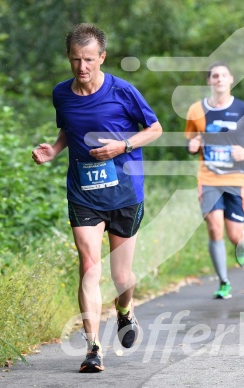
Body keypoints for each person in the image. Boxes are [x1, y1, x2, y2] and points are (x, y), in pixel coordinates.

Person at [32, 23, 162, 373]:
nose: (82, 67)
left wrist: (124, 145)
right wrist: (54, 150)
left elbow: (155, 128)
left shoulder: (123, 91)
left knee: (122, 277)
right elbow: (68, 128)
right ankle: (93, 347)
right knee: (89, 265)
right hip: (83, 192)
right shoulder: (61, 94)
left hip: (124, 192)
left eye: (89, 59)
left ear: (102, 57)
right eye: (76, 60)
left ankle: (124, 310)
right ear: (69, 58)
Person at [184, 62, 244, 299]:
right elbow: (190, 140)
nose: (219, 79)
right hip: (208, 177)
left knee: (234, 235)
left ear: (231, 79)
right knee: (214, 228)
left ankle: (242, 241)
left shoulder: (243, 109)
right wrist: (192, 146)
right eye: (215, 76)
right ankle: (224, 282)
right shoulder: (196, 110)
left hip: (236, 178)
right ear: (209, 81)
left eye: (224, 75)